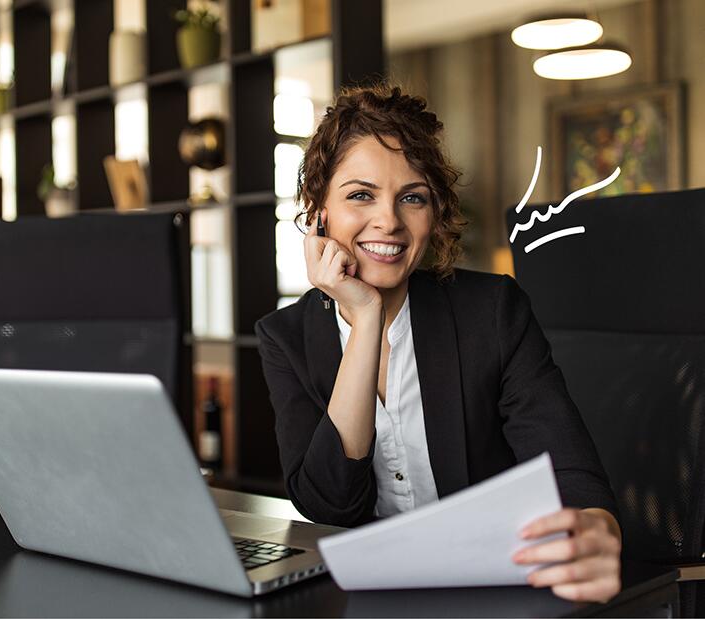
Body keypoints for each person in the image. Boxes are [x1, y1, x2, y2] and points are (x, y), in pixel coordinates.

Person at [254, 84, 621, 603]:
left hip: (494, 588)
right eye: (360, 195)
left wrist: (597, 531)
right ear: (318, 211)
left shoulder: (492, 311)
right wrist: (363, 320)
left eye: (413, 197)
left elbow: (572, 474)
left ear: (434, 213)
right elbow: (330, 505)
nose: (389, 221)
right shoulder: (285, 337)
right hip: (369, 597)